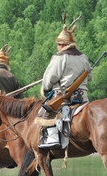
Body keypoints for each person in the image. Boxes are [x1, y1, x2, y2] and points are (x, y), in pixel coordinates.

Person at [38, 15, 91, 149]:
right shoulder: (84, 57)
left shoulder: (59, 57)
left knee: (44, 112)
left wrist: (46, 89)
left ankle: (52, 137)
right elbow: (89, 78)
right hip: (83, 98)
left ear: (61, 45)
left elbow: (49, 80)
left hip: (63, 98)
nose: (58, 47)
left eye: (58, 45)